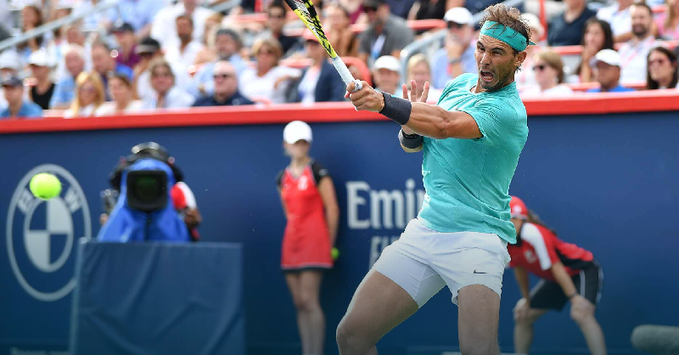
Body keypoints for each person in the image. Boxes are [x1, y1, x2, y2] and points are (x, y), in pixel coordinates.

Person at [339, 4, 530, 354]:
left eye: (497, 52)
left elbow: (443, 125)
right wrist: (409, 127)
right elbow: (415, 144)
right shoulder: (459, 85)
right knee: (352, 335)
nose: (485, 60)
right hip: (426, 230)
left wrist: (382, 101)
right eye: (481, 48)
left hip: (477, 238)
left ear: (519, 59)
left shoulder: (507, 111)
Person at [506, 196, 607, 355]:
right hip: (558, 277)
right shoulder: (505, 241)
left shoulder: (532, 233)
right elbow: (520, 270)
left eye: (513, 218)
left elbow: (557, 267)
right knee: (522, 316)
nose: (510, 223)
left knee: (581, 313)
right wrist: (526, 300)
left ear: (522, 220)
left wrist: (574, 298)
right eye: (506, 219)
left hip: (582, 269)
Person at [276, 120, 339, 355]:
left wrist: (328, 244)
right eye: (294, 143)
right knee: (299, 302)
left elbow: (331, 209)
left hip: (315, 241)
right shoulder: (281, 178)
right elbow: (288, 212)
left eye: (303, 142)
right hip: (291, 243)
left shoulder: (318, 171)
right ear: (286, 145)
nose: (299, 147)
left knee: (309, 300)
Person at [288, 30, 348, 103]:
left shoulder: (332, 70)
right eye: (308, 43)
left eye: (315, 43)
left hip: (321, 113)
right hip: (303, 112)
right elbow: (294, 98)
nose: (311, 47)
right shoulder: (304, 71)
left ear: (324, 46)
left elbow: (337, 98)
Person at [190, 28, 248, 99]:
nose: (222, 45)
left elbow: (240, 89)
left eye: (226, 41)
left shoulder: (243, 66)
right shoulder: (208, 67)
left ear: (236, 45)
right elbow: (191, 90)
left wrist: (206, 88)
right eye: (218, 42)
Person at [239, 38, 300, 104]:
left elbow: (301, 74)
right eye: (260, 52)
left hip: (275, 111)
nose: (264, 56)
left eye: (269, 52)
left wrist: (286, 77)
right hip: (249, 111)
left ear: (276, 55)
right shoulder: (247, 74)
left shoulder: (281, 71)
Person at [431, 7, 478, 89]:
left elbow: (466, 91)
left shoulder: (479, 55)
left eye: (459, 26)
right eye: (450, 26)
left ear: (471, 30)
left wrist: (454, 60)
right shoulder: (438, 57)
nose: (454, 30)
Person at [358, 0, 415, 66]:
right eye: (366, 10)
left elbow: (396, 64)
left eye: (374, 9)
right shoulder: (367, 33)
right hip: (376, 73)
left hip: (395, 73)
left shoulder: (400, 29)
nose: (370, 14)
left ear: (386, 8)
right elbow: (361, 62)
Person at [151, 0, 216, 50]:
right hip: (168, 58)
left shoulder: (209, 16)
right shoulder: (163, 15)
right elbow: (156, 40)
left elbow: (212, 44)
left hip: (200, 60)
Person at [617, 2, 656, 84]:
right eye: (634, 18)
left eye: (642, 17)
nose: (637, 21)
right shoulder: (623, 49)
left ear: (651, 19)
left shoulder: (659, 48)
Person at [575, 19, 614, 83]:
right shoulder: (583, 56)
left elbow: (587, 87)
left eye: (596, 33)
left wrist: (586, 63)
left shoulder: (612, 61)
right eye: (588, 33)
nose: (591, 38)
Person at [50, 45, 86, 109]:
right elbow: (54, 106)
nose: (72, 65)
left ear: (83, 61)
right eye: (68, 61)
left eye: (75, 60)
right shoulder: (63, 82)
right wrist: (78, 105)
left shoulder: (92, 79)